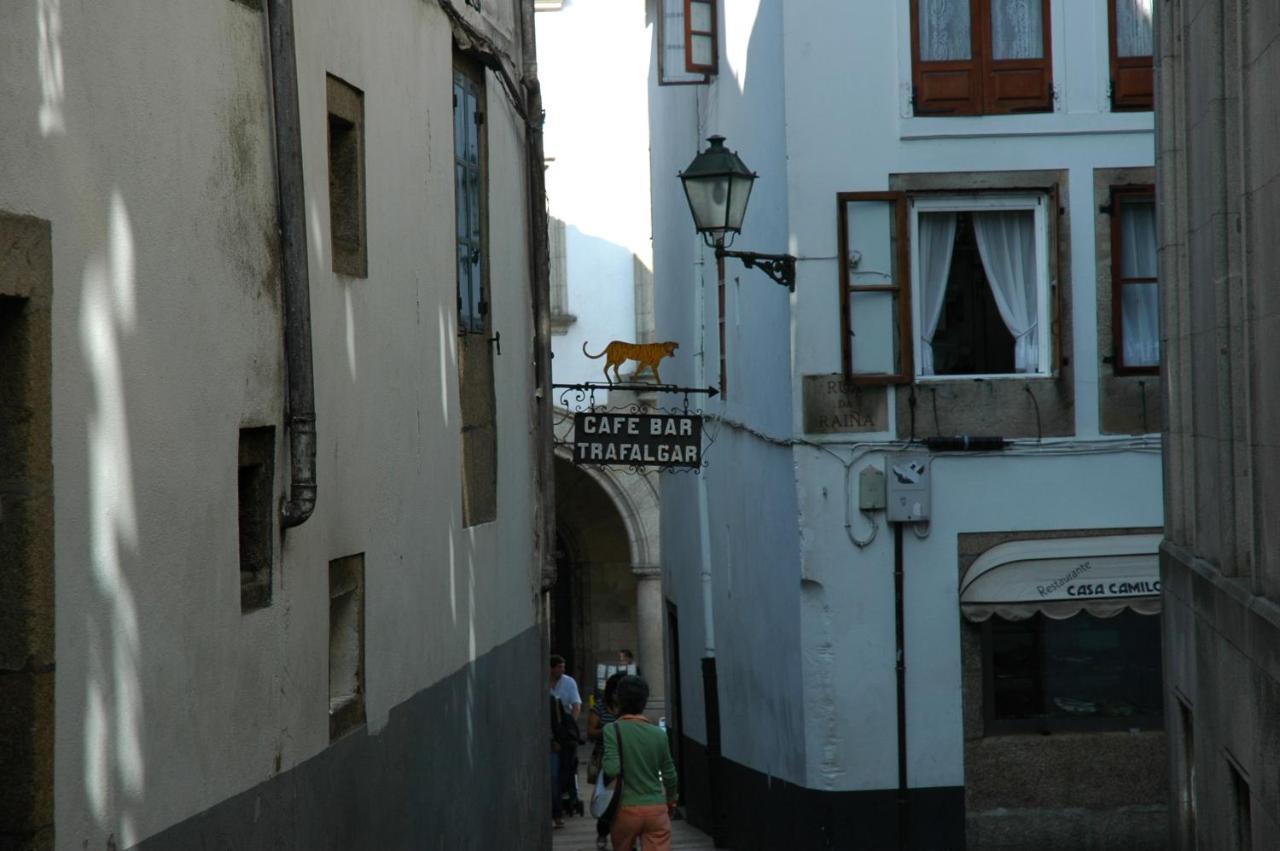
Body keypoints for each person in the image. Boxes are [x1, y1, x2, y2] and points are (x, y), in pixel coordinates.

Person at [602, 675, 678, 851]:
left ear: (618, 699)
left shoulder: (611, 730)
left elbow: (612, 769)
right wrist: (672, 799)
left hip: (625, 809)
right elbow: (670, 774)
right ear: (644, 701)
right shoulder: (659, 734)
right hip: (656, 808)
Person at [588, 672, 623, 850]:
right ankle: (603, 832)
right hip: (605, 758)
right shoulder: (600, 707)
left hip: (626, 758)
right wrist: (610, 731)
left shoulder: (627, 708)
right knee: (607, 798)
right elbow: (590, 732)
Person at [550, 654, 582, 720]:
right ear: (551, 668)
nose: (563, 670)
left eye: (563, 667)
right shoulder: (542, 682)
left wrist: (571, 725)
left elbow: (576, 706)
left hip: (564, 720)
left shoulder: (569, 682)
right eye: (559, 667)